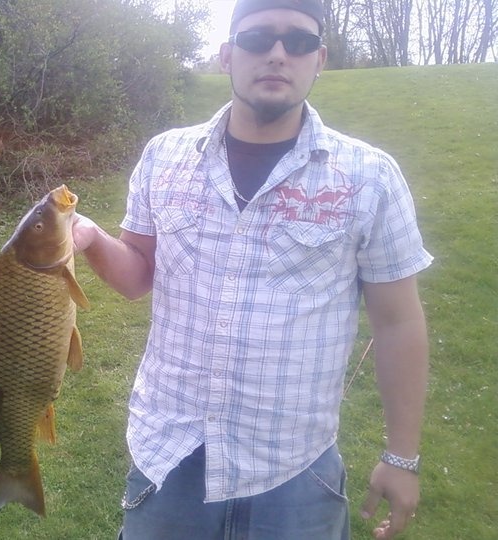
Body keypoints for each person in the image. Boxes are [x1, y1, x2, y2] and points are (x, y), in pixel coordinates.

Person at [72, 0, 432, 538]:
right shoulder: (164, 156)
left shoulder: (369, 176)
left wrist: (401, 457)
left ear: (320, 59)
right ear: (227, 56)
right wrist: (90, 238)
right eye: (258, 39)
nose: (278, 54)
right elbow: (137, 276)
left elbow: (399, 322)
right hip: (169, 455)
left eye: (299, 42)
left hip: (294, 472)